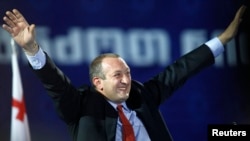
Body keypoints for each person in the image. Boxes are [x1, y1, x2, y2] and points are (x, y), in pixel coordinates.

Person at [2, 5, 247, 141]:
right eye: (118, 75)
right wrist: (32, 48)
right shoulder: (81, 105)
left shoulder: (141, 95)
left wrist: (223, 39)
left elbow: (181, 69)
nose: (127, 80)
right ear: (98, 83)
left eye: (127, 73)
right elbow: (55, 83)